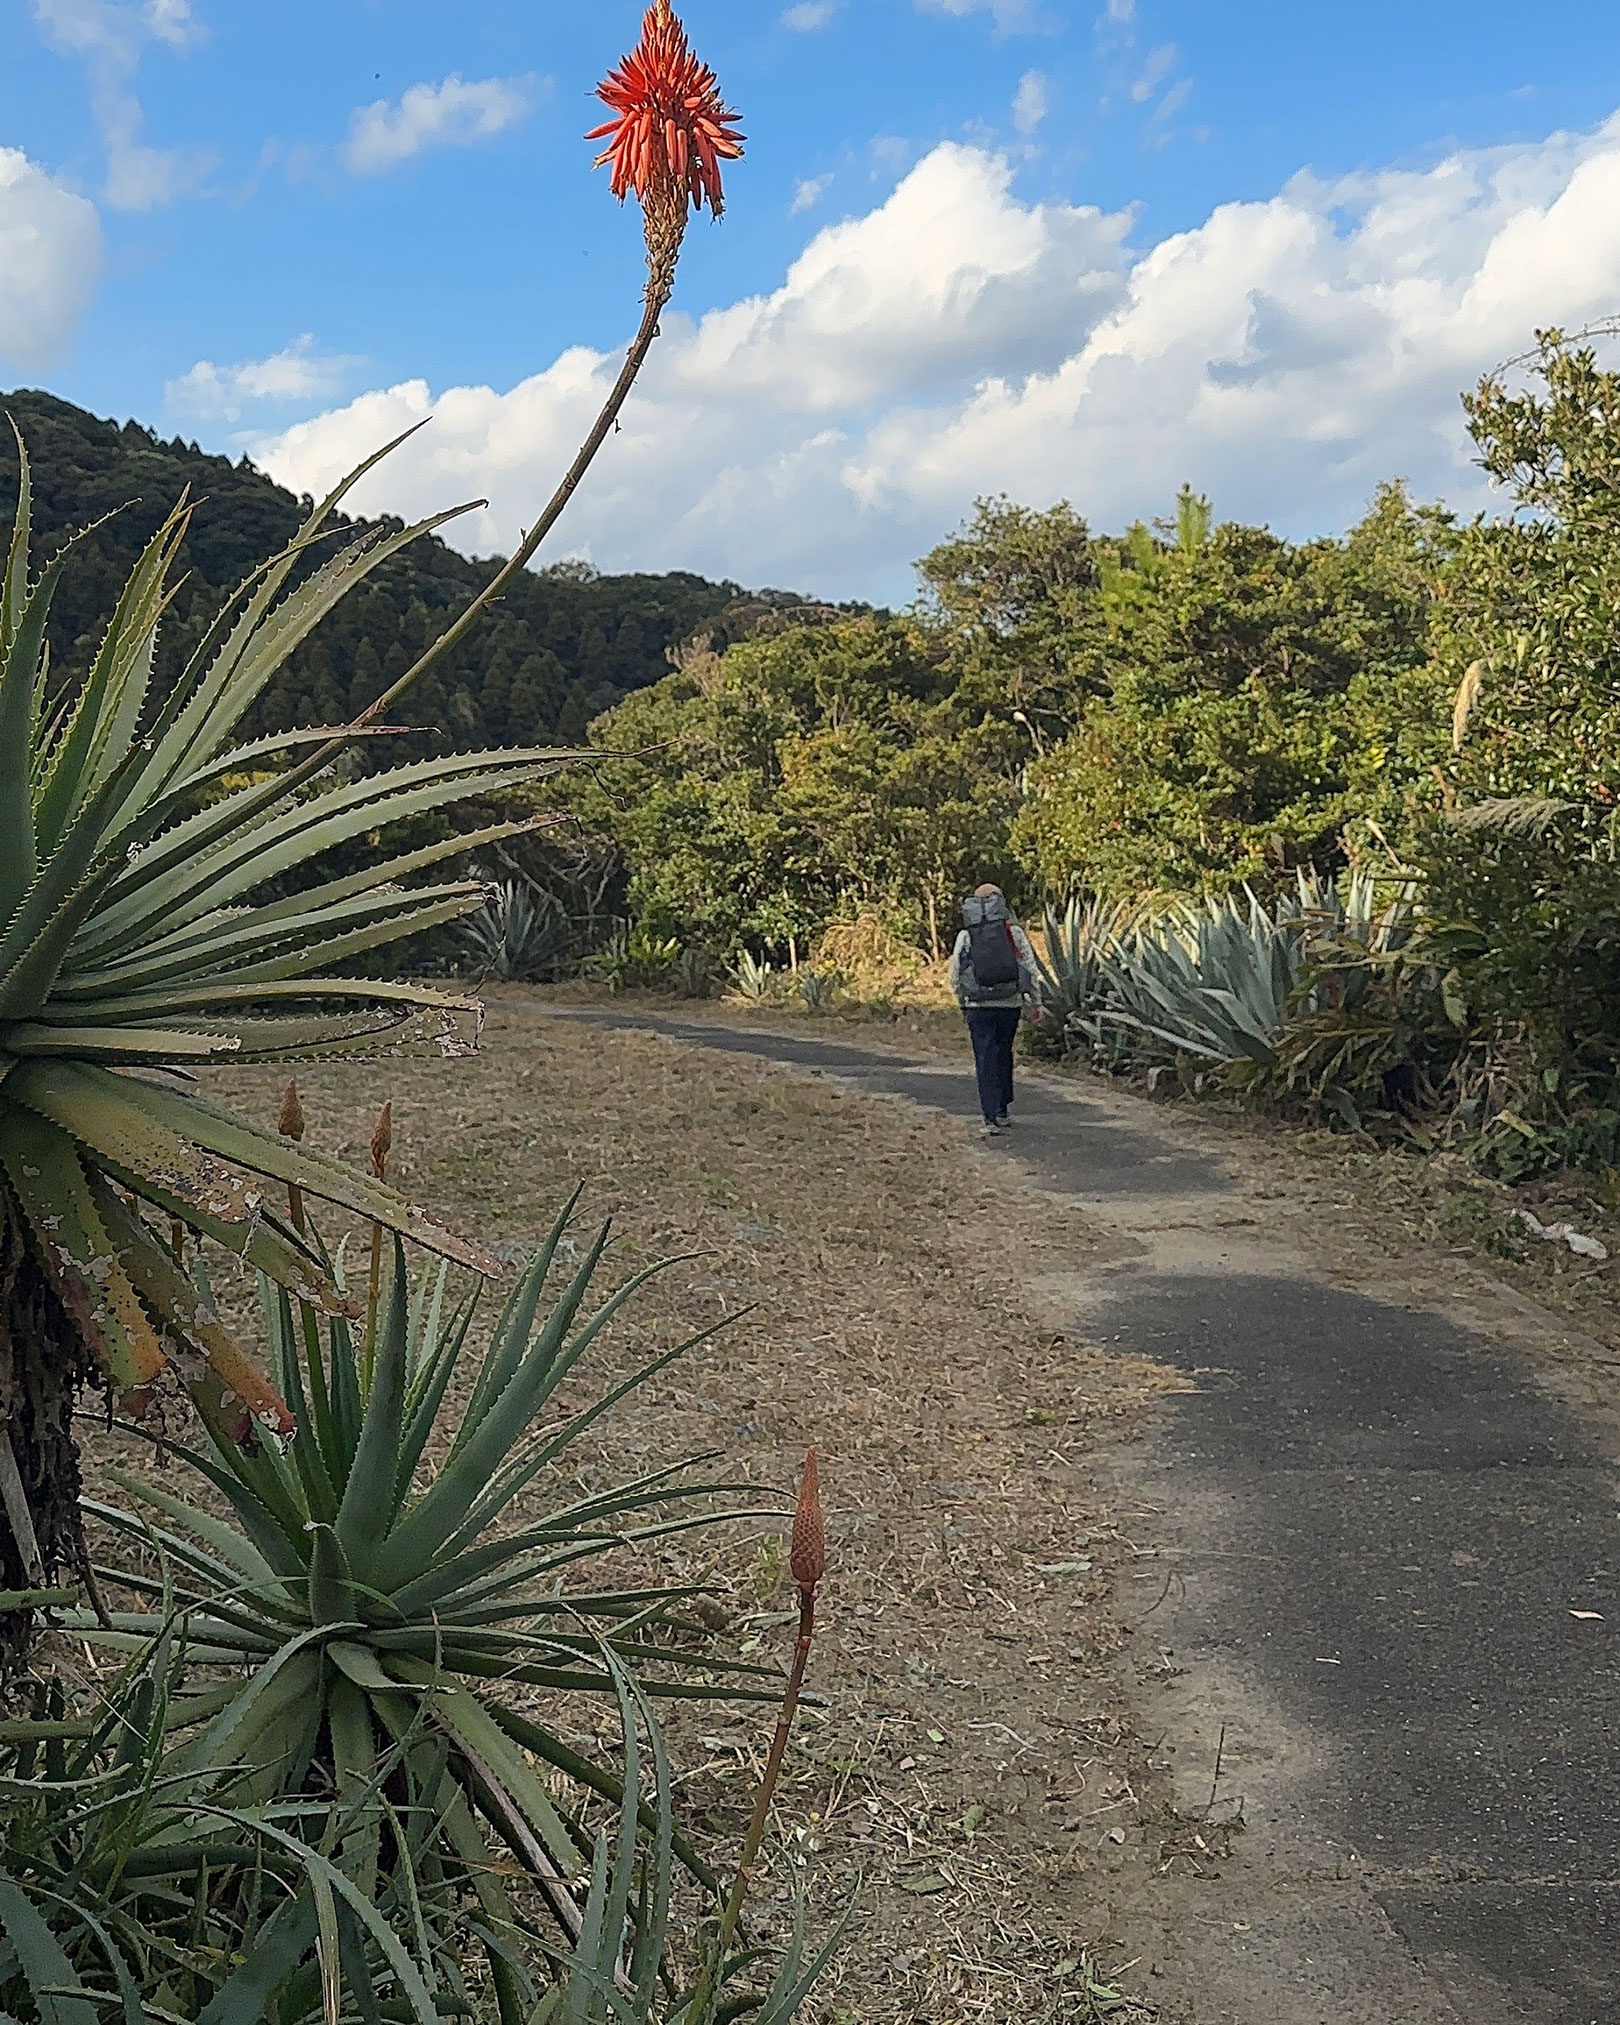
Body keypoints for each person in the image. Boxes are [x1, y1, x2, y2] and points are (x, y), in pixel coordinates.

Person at [948, 884, 1043, 1136]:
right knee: (1003, 1053)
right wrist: (1036, 1003)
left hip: (978, 1006)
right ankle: (1002, 1109)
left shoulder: (966, 935)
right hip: (1009, 1004)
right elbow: (1030, 969)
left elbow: (955, 974)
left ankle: (989, 1115)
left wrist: (961, 1001)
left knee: (985, 1057)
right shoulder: (1014, 932)